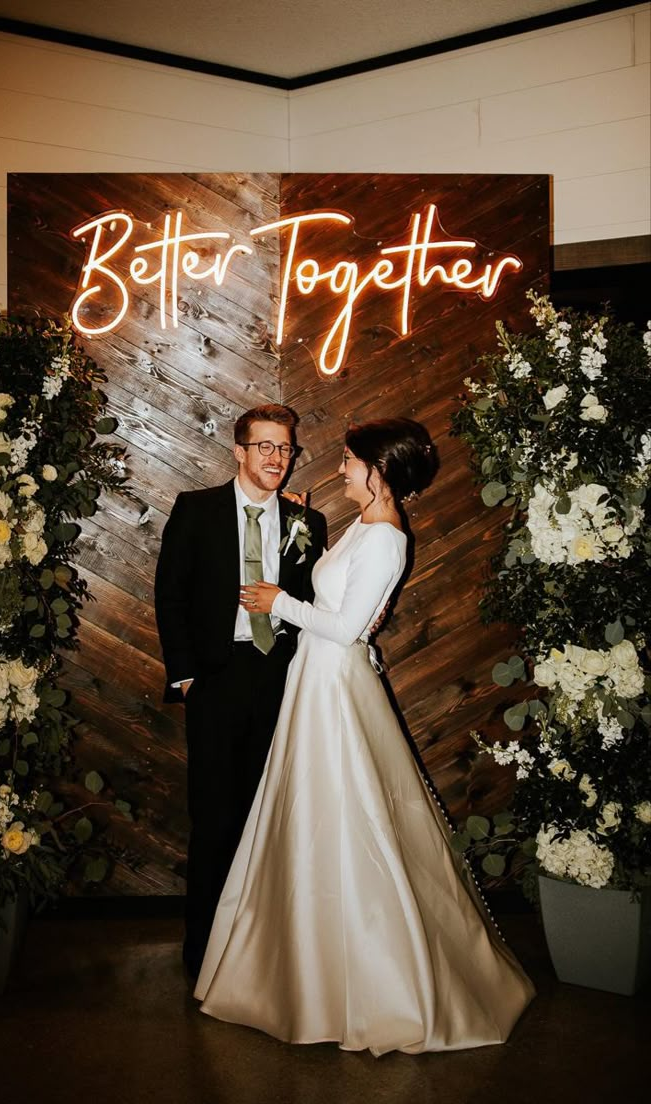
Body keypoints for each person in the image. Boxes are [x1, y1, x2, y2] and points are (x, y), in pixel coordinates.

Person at [194, 417, 535, 1055]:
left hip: (333, 686)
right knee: (316, 816)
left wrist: (277, 602)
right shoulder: (364, 526)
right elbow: (333, 589)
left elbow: (348, 627)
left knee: (344, 820)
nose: (340, 468)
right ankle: (306, 964)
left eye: (351, 461)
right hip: (316, 681)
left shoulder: (386, 540)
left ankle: (365, 979)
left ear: (379, 472)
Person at [155, 404, 327, 979]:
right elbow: (170, 595)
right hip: (217, 677)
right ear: (239, 450)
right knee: (215, 817)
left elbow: (311, 604)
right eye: (266, 447)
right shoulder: (196, 509)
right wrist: (186, 676)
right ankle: (202, 950)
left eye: (286, 448)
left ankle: (260, 946)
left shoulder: (309, 522)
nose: (278, 458)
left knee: (270, 814)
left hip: (279, 677)